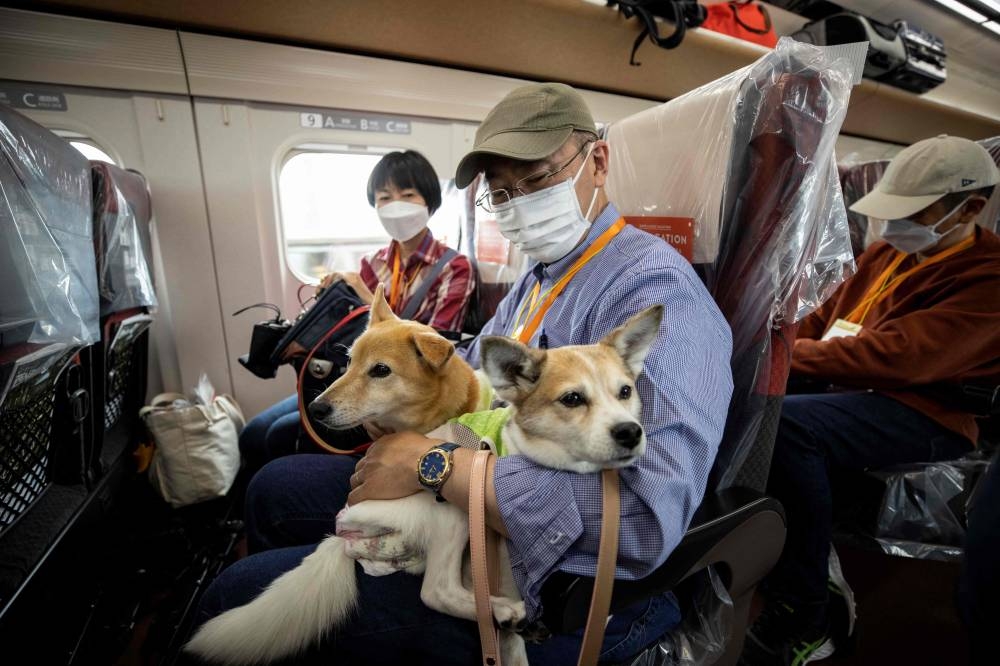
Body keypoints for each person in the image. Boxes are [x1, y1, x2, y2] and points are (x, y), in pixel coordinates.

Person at [192, 82, 734, 665]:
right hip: (483, 500)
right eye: (502, 193)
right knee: (273, 489)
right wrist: (402, 410)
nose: (519, 203)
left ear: (597, 162)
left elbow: (646, 521)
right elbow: (473, 370)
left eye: (538, 178)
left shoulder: (652, 290)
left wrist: (435, 466)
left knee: (235, 592)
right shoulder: (541, 278)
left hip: (563, 585)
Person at [742, 136, 1000, 666]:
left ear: (971, 208)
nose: (892, 226)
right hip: (851, 387)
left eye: (914, 212)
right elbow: (825, 317)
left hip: (926, 411)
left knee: (788, 426)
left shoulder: (989, 276)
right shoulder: (887, 252)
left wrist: (787, 356)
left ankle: (807, 606)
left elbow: (899, 356)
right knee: (749, 402)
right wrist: (767, 349)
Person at [239, 150, 475, 473]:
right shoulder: (374, 262)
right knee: (253, 434)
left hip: (394, 385)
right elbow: (356, 332)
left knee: (277, 436)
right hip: (356, 370)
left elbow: (436, 344)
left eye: (407, 195)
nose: (396, 205)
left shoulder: (453, 267)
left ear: (429, 201)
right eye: (384, 197)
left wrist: (364, 296)